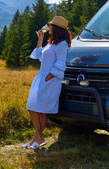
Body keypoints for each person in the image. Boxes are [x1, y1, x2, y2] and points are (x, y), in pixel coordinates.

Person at [22, 16, 72, 149]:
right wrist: (40, 40)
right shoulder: (51, 43)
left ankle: (38, 139)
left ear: (55, 28)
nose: (48, 27)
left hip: (50, 79)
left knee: (40, 110)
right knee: (33, 107)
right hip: (41, 77)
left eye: (51, 25)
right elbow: (39, 55)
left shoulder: (62, 45)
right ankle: (37, 139)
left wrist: (48, 77)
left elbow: (61, 63)